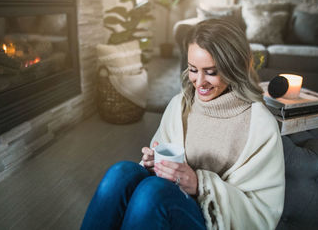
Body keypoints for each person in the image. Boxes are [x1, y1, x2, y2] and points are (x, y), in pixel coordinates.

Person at [80, 18, 285, 230]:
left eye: (211, 72)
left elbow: (261, 212)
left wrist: (199, 185)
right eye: (193, 69)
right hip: (167, 203)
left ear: (235, 67)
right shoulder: (180, 105)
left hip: (215, 222)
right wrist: (154, 164)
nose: (199, 81)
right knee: (121, 172)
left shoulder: (260, 125)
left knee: (153, 191)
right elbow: (162, 158)